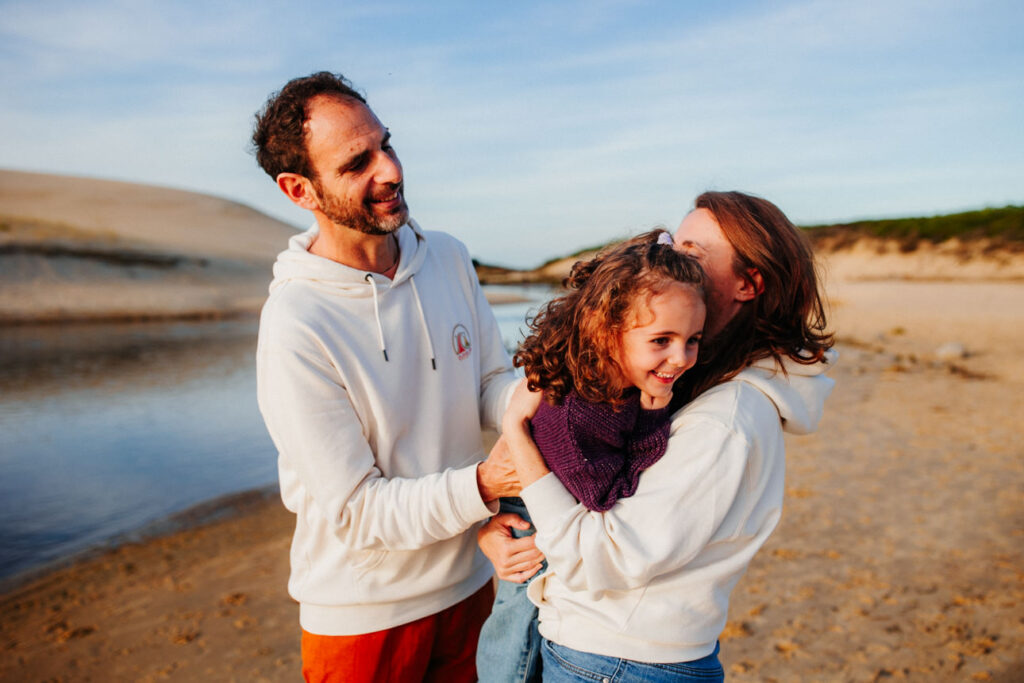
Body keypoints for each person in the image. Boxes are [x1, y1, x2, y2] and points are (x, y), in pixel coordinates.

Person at [480, 191, 836, 682]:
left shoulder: (725, 417)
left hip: (616, 658)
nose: (670, 261)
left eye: (691, 252)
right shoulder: (676, 382)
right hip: (608, 648)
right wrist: (516, 530)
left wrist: (518, 439)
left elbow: (603, 554)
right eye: (673, 242)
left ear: (748, 283)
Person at [252, 71, 523, 683]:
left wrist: (552, 399)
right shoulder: (296, 322)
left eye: (387, 144)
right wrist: (485, 484)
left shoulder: (448, 257)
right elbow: (357, 510)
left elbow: (488, 385)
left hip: (475, 582)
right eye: (356, 163)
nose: (390, 170)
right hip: (362, 617)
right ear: (301, 190)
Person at [476, 230, 707, 682]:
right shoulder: (576, 417)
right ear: (606, 332)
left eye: (693, 339)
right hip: (537, 528)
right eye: (661, 340)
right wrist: (652, 422)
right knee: (514, 651)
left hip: (560, 505)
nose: (680, 357)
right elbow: (609, 498)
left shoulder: (617, 382)